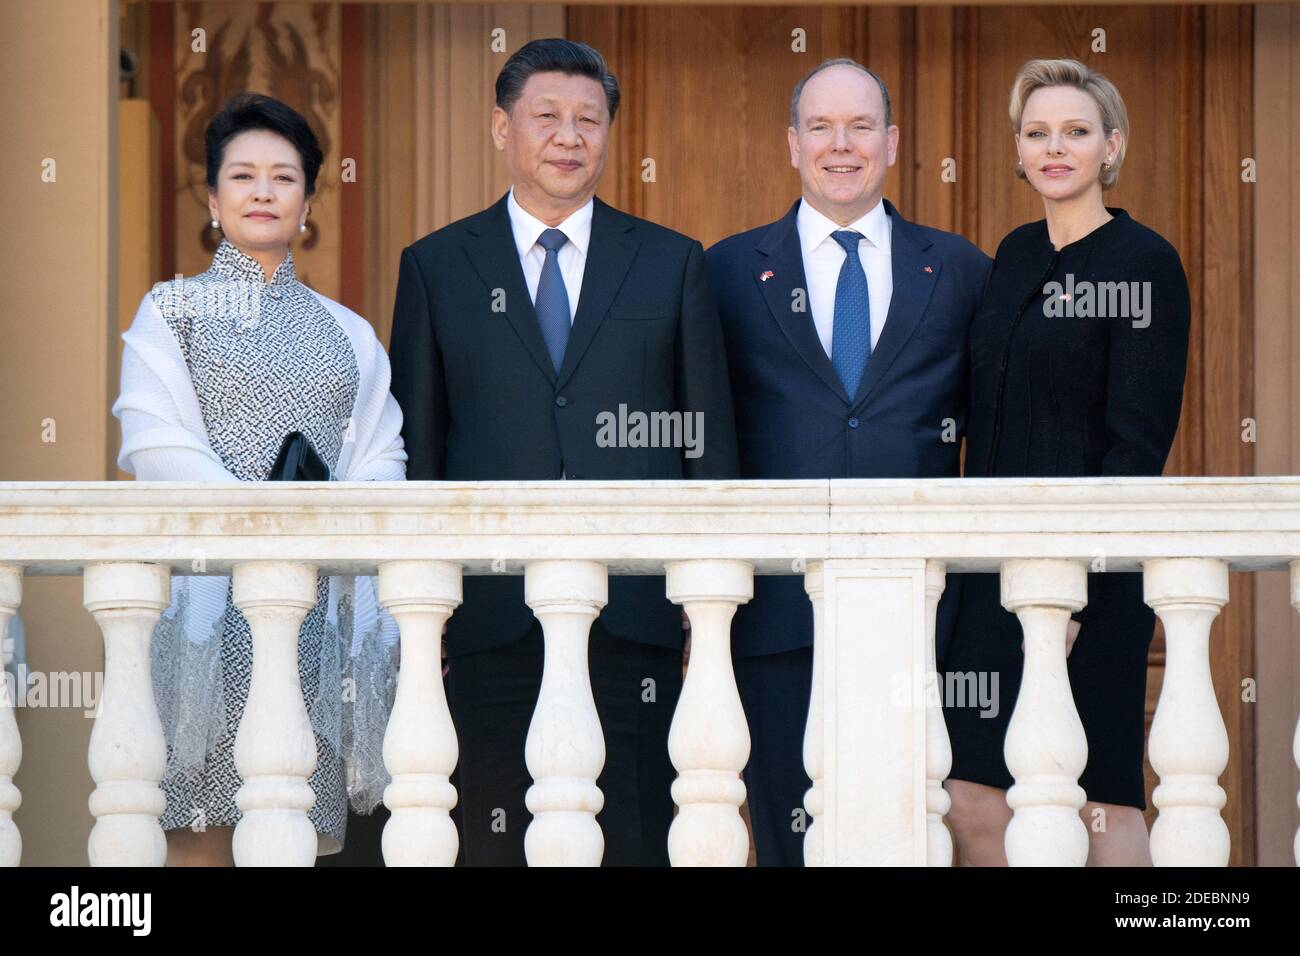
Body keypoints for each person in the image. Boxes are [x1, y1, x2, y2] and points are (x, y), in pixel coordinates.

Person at [388, 38, 738, 866]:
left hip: (638, 614)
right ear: (502, 127)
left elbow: (707, 444)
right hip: (489, 618)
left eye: (589, 119)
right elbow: (420, 449)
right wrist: (427, 602)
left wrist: (704, 601)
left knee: (640, 834)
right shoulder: (438, 266)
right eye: (546, 116)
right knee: (493, 835)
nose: (568, 136)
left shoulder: (671, 262)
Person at [706, 58, 991, 866]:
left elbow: (994, 441)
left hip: (920, 619)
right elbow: (703, 438)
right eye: (822, 127)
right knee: (789, 840)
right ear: (793, 143)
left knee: (912, 841)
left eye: (861, 126)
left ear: (892, 143)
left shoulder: (961, 269)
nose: (842, 145)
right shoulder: (726, 271)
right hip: (771, 621)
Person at [113, 92, 407, 866]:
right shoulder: (170, 312)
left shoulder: (349, 332)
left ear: (308, 198)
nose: (263, 191)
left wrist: (319, 521)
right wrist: (258, 523)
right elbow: (154, 443)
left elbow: (383, 459)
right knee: (196, 834)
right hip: (205, 612)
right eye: (242, 176)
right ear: (212, 198)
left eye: (283, 177)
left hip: (312, 616)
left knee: (295, 834)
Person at [941, 58, 1191, 866]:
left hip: (1095, 578)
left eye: (1076, 132)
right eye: (1038, 133)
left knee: (1098, 800)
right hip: (989, 575)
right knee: (971, 795)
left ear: (1110, 148)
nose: (1056, 148)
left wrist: (1079, 585)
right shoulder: (1011, 256)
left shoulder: (1144, 262)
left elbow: (1137, 445)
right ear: (1018, 148)